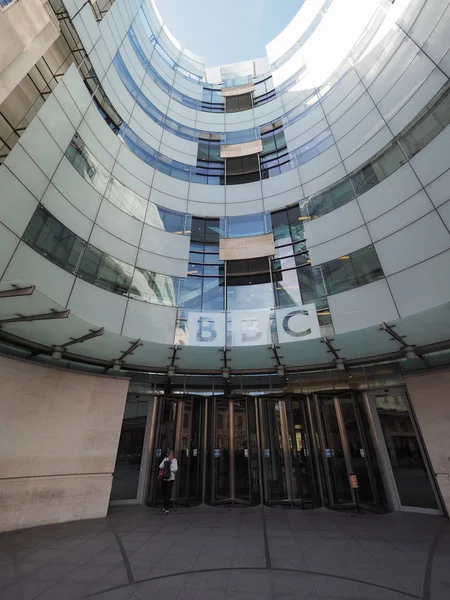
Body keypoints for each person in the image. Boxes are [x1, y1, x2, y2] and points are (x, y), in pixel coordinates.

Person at [159, 450, 178, 514]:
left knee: (168, 493)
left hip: (171, 479)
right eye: (170, 455)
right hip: (164, 479)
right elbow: (160, 466)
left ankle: (167, 508)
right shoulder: (165, 459)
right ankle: (165, 506)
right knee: (164, 493)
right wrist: (165, 462)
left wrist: (168, 468)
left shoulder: (174, 460)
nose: (171, 456)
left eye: (172, 455)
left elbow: (176, 469)